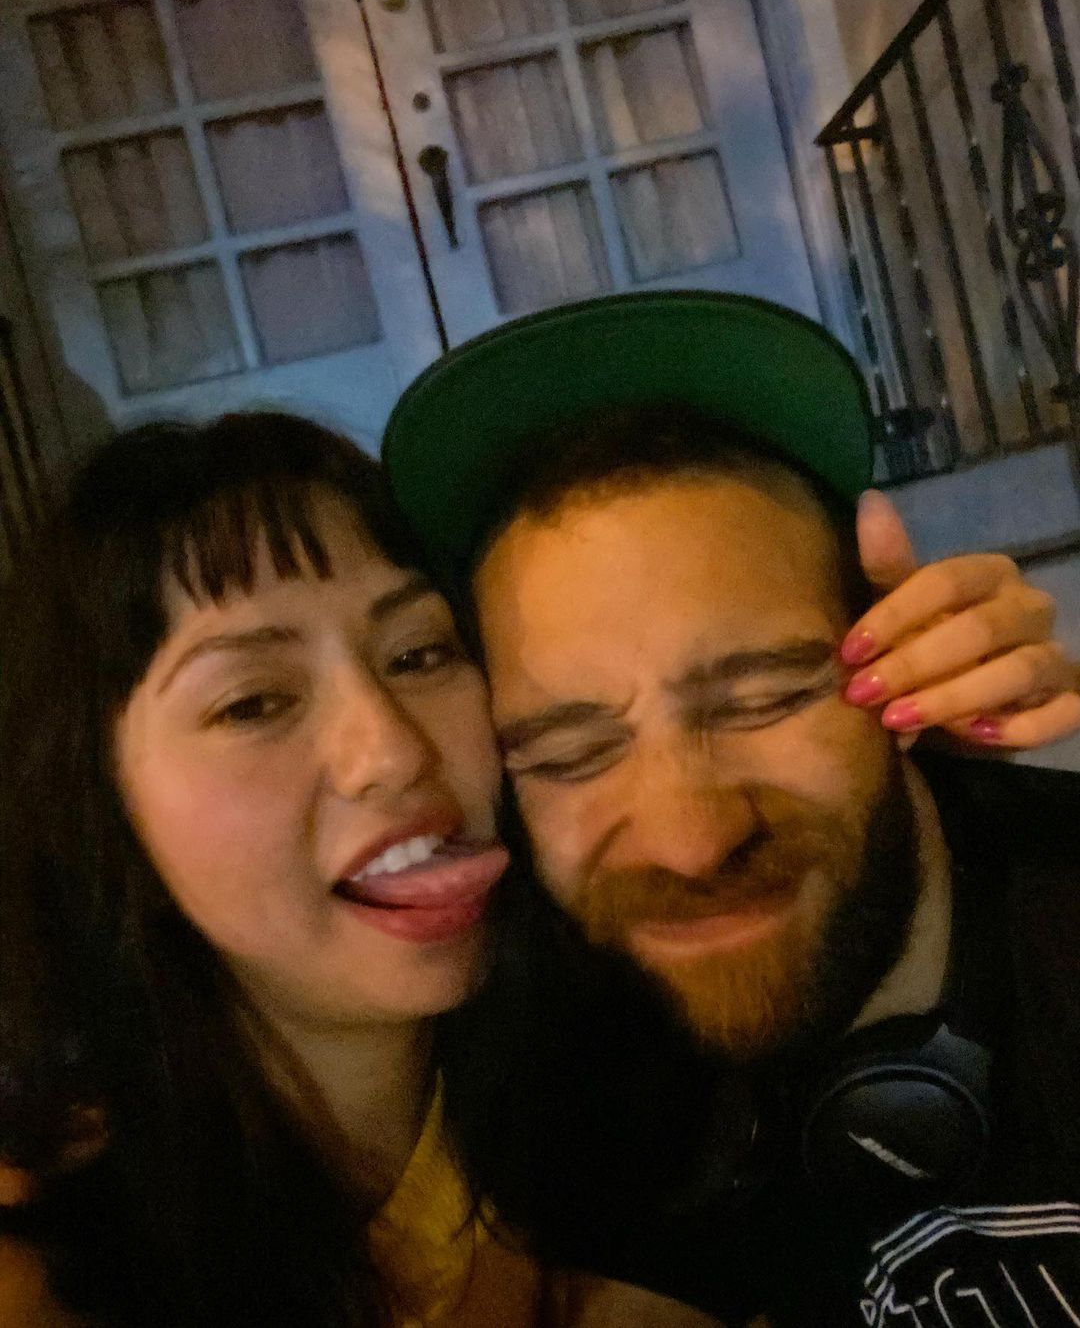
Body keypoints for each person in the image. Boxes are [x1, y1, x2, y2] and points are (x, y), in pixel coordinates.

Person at [380, 291, 1080, 1326]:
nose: (690, 841)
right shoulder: (545, 1120)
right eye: (571, 754)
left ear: (901, 646)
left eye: (762, 699)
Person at [0, 411, 717, 1327]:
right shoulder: (46, 1270)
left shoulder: (653, 1090)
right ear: (100, 807)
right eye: (254, 702)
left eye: (419, 655)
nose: (393, 751)